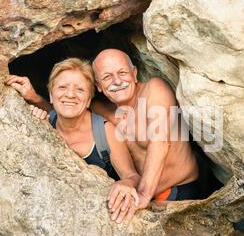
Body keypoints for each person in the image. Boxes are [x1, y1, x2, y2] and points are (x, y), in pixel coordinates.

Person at [6, 58, 140, 224]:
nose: (70, 94)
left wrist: (126, 183)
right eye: (62, 87)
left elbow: (132, 175)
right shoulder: (45, 122)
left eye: (80, 90)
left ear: (89, 99)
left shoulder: (105, 132)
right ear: (51, 95)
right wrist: (33, 99)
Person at [91, 49, 216, 212]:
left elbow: (160, 142)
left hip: (179, 193)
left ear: (134, 74)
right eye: (107, 77)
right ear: (98, 86)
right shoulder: (101, 109)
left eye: (122, 72)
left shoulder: (155, 89)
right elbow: (68, 111)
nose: (117, 81)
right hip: (144, 197)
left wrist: (143, 194)